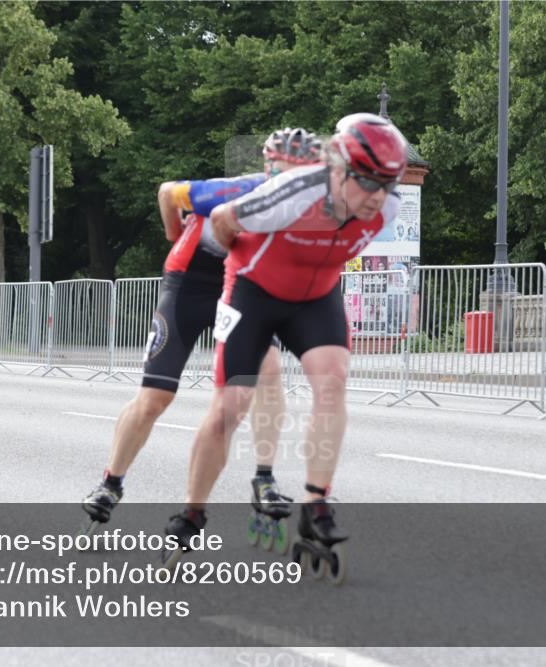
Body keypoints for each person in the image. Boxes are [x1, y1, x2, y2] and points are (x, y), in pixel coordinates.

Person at [161, 113, 408, 575]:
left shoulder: (387, 207)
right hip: (254, 289)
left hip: (315, 297)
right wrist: (235, 267)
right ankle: (191, 513)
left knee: (333, 384)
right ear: (337, 169)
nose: (379, 196)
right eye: (369, 181)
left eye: (388, 184)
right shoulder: (294, 193)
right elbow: (220, 219)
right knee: (230, 407)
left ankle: (317, 508)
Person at [80, 128, 324, 534]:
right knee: (155, 397)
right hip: (189, 283)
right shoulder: (235, 190)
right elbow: (166, 192)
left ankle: (264, 479)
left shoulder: (312, 207)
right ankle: (110, 482)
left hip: (241, 286)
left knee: (269, 371)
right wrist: (176, 235)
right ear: (269, 171)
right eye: (285, 174)